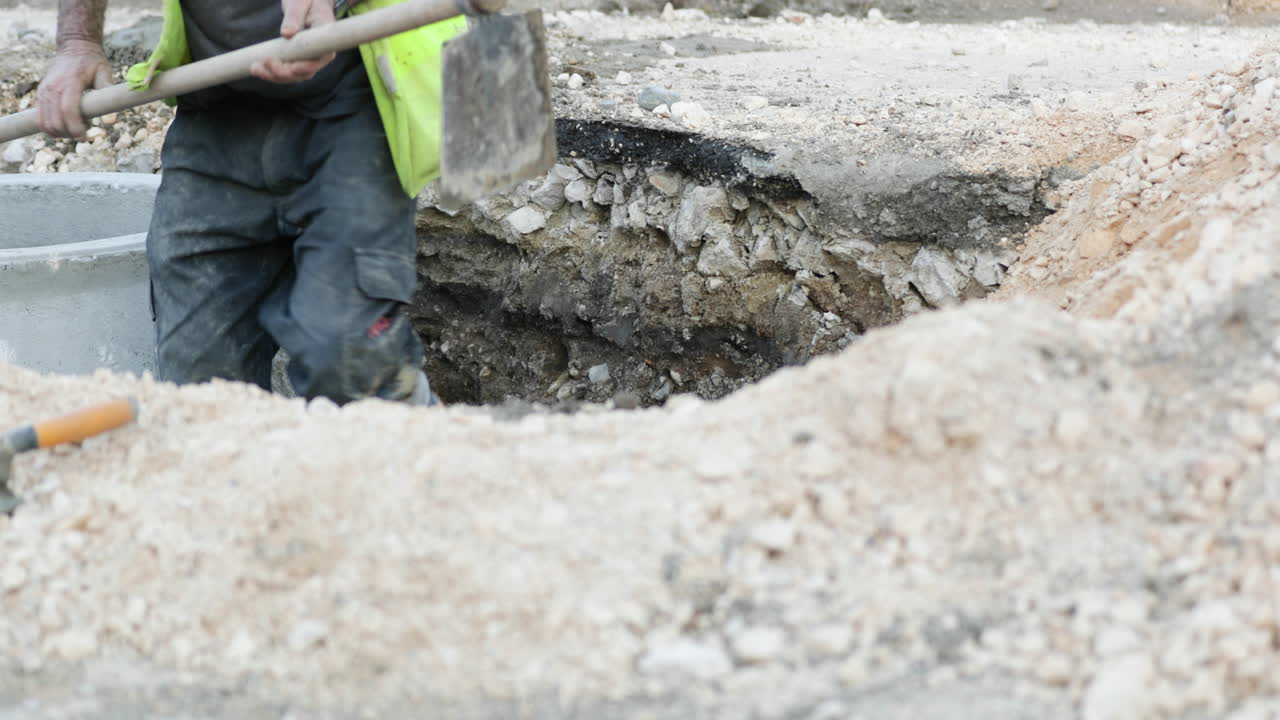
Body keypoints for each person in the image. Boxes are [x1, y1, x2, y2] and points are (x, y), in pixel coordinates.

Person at [38, 0, 439, 406]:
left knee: (347, 359)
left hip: (355, 96)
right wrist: (78, 41)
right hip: (215, 106)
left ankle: (434, 447)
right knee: (202, 394)